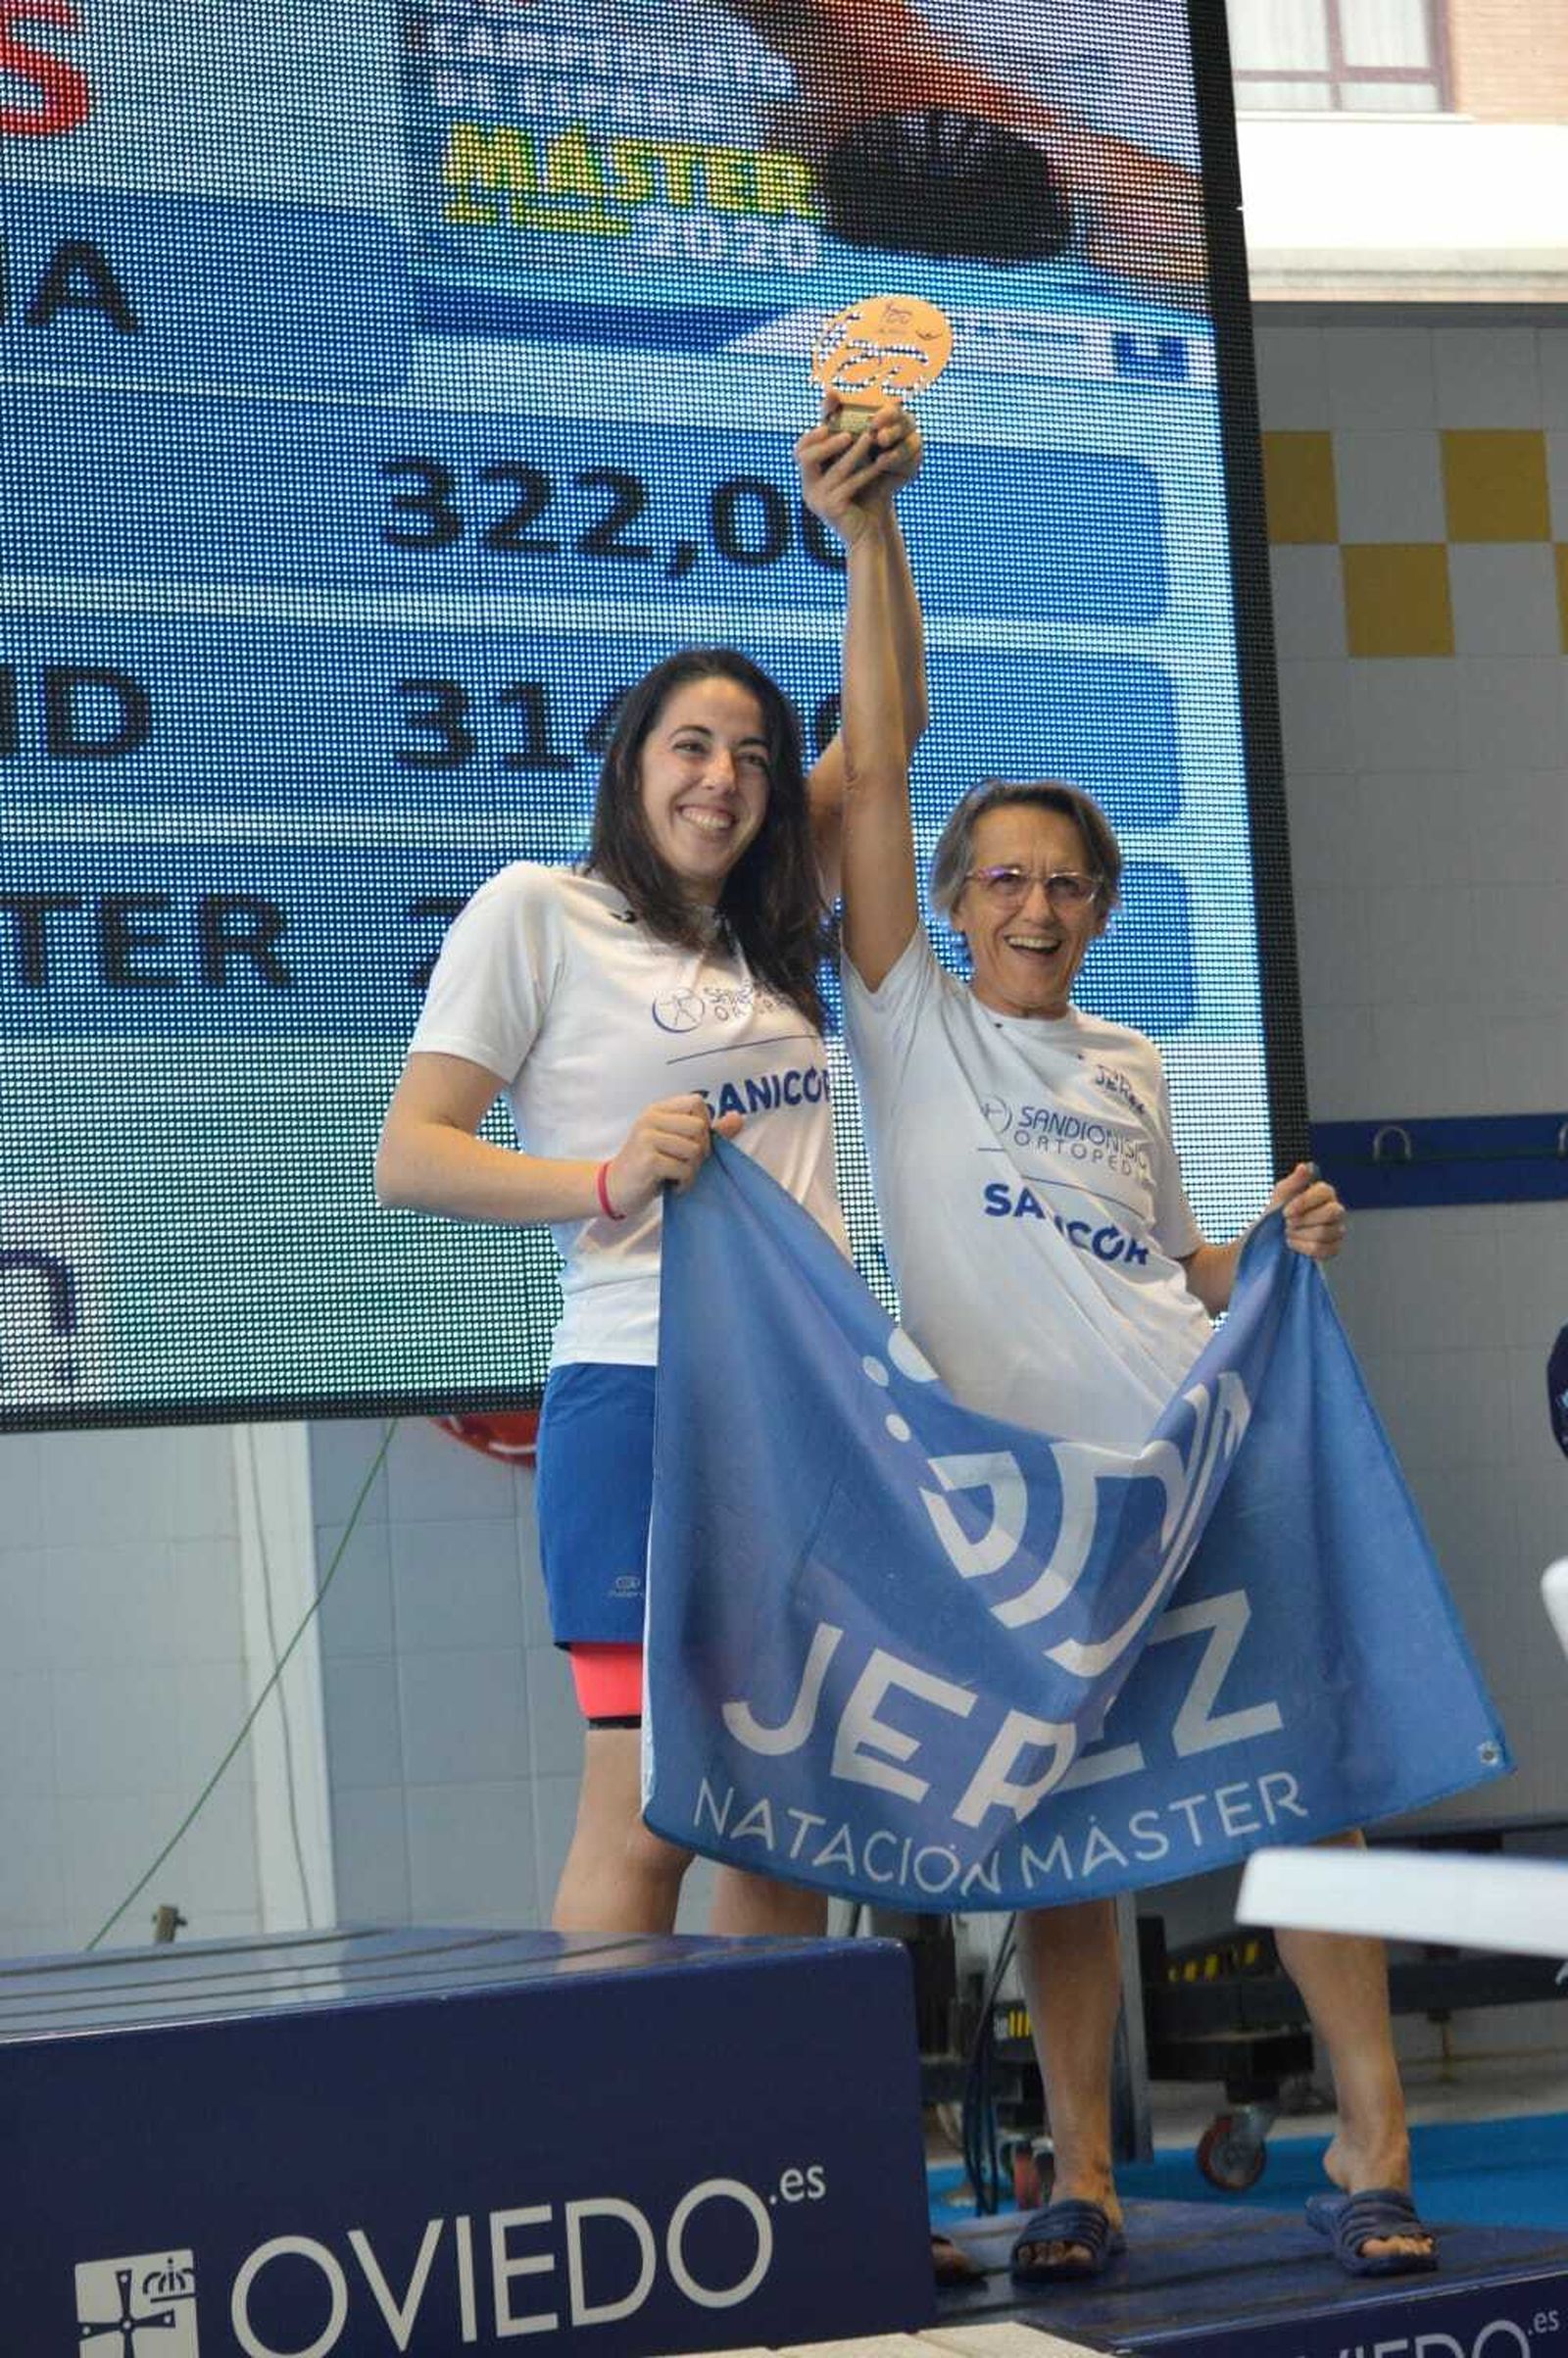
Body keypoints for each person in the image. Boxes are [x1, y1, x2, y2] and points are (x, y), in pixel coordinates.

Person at [795, 408, 1437, 2283]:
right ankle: (1077, 2179)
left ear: (1102, 908)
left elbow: (1168, 1265)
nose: (1034, 904)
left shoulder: (1133, 1061)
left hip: (1192, 1470)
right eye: (1001, 878)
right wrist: (873, 535)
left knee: (1306, 1805)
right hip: (1031, 1515)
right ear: (946, 901)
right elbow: (876, 760)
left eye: (1066, 882)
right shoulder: (905, 1016)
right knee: (1058, 1843)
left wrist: (1271, 1251)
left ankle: (1374, 2146)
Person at [375, 414, 924, 1942]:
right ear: (630, 763)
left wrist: (868, 531)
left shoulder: (773, 921)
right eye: (691, 745)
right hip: (641, 1393)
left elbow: (884, 740)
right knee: (648, 1812)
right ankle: (617, 2090)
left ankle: (775, 2103)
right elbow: (409, 1155)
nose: (724, 777)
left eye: (751, 756)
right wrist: (604, 1179)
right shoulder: (536, 910)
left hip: (807, 1403)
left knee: (785, 1813)